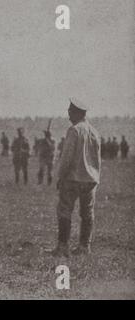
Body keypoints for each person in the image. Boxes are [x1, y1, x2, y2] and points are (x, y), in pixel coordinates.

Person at [51, 98, 101, 257]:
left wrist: (60, 176)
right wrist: (95, 177)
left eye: (70, 111)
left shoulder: (74, 130)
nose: (68, 114)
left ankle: (63, 246)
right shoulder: (95, 132)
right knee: (87, 213)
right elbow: (97, 159)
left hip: (73, 179)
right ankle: (84, 247)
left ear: (78, 112)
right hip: (91, 179)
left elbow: (66, 158)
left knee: (64, 210)